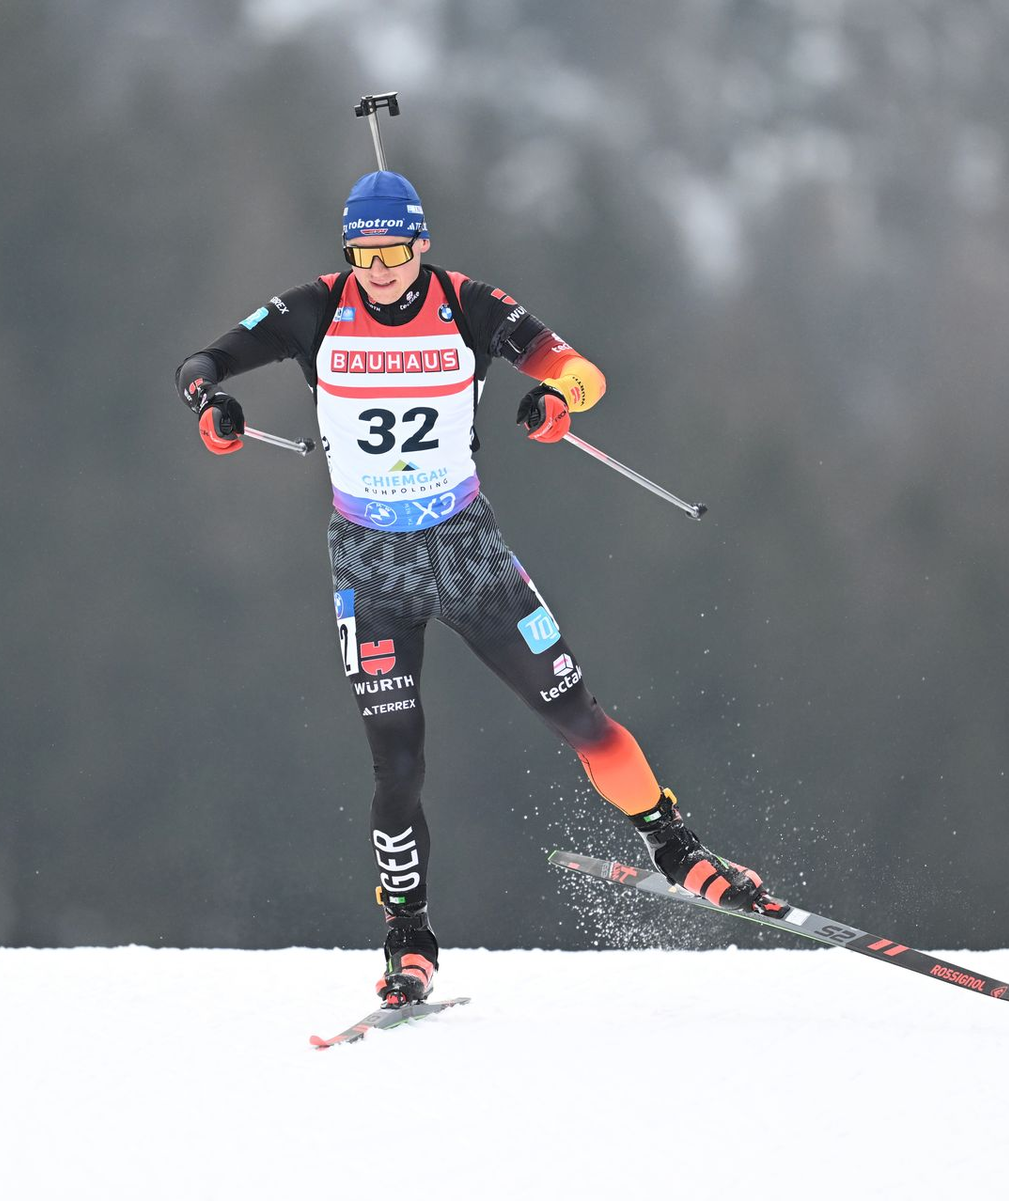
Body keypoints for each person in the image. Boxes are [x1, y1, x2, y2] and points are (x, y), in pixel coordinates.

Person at [176, 170, 777, 1007]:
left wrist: (554, 398)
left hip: (466, 550)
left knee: (580, 718)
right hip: (370, 564)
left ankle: (677, 847)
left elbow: (582, 373)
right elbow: (204, 362)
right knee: (398, 766)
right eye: (363, 252)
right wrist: (212, 405)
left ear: (420, 243)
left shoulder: (468, 304)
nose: (378, 269)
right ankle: (408, 936)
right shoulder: (316, 307)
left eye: (393, 251)